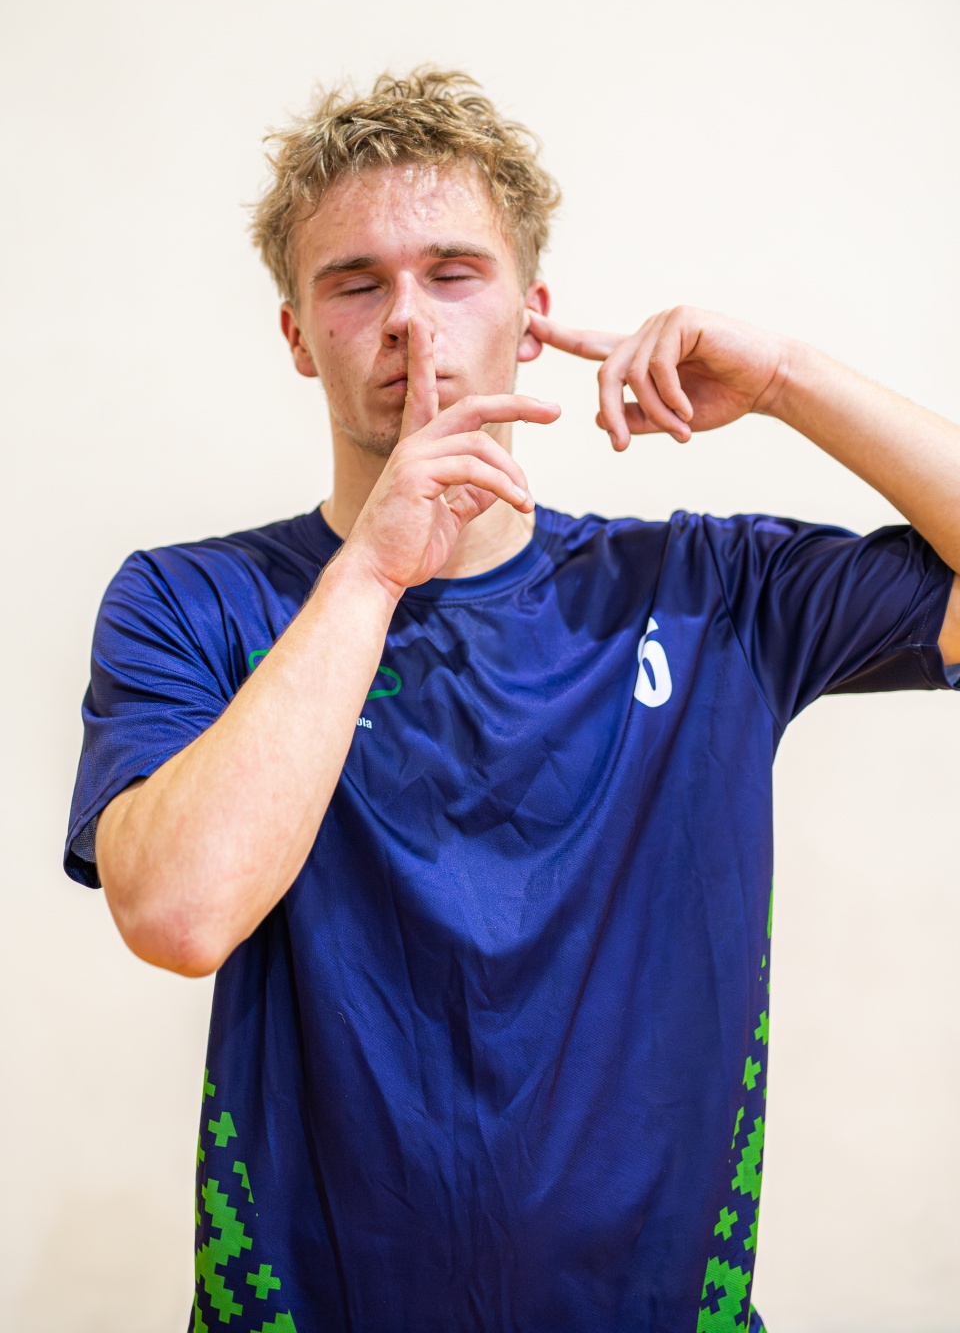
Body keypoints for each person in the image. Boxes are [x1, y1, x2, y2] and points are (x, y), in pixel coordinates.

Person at [65, 68, 960, 1333]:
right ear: (297, 334)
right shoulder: (190, 601)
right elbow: (178, 913)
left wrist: (784, 378)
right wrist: (373, 569)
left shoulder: (709, 590)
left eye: (453, 273)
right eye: (355, 284)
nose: (408, 323)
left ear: (532, 316)